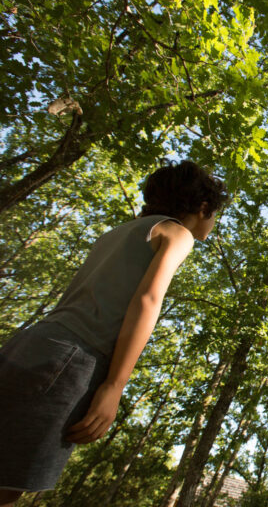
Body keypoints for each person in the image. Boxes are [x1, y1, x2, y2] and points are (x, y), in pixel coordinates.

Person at [0, 160, 227, 506]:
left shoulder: (118, 232)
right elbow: (148, 300)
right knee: (7, 486)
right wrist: (114, 385)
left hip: (29, 343)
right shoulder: (177, 233)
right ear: (203, 207)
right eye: (215, 213)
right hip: (69, 360)